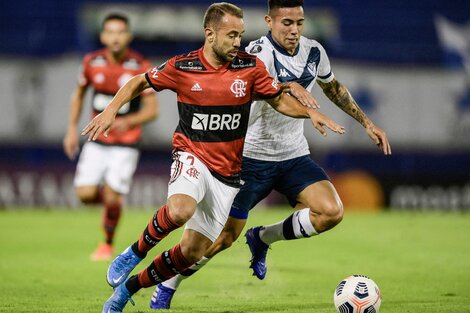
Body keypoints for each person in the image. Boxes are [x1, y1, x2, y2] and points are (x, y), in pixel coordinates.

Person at [81, 3, 345, 312]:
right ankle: (133, 253)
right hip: (192, 155)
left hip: (228, 173)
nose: (237, 42)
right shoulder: (184, 66)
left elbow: (278, 101)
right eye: (231, 35)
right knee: (179, 210)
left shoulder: (249, 67)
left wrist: (310, 112)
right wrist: (111, 109)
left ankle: (129, 288)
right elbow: (140, 80)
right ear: (210, 34)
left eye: (240, 35)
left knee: (192, 252)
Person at [148, 0, 392, 310]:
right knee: (221, 240)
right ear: (269, 21)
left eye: (299, 23)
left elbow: (333, 88)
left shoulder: (314, 52)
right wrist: (290, 86)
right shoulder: (254, 52)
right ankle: (169, 283)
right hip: (249, 157)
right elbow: (265, 88)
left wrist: (367, 123)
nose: (294, 30)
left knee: (331, 211)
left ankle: (263, 238)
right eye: (286, 23)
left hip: (292, 154)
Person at [63, 13, 159, 261]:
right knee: (85, 195)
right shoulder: (91, 62)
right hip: (97, 139)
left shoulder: (139, 66)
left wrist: (126, 121)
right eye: (111, 32)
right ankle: (112, 204)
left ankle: (106, 243)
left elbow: (152, 111)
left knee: (113, 194)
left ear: (128, 36)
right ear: (104, 36)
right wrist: (72, 129)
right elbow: (79, 95)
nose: (116, 37)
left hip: (126, 144)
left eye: (121, 32)